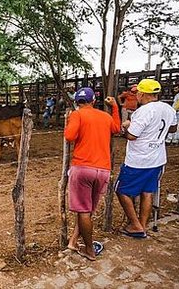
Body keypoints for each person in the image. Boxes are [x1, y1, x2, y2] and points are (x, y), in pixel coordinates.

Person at [64, 87, 121, 261]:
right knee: (87, 210)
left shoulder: (77, 114)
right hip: (103, 169)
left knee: (83, 211)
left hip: (82, 168)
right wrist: (115, 107)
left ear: (76, 102)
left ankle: (89, 249)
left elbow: (69, 136)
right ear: (94, 101)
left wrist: (71, 122)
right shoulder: (105, 116)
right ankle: (74, 241)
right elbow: (117, 129)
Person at [117, 79, 177, 238]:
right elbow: (173, 128)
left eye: (137, 92)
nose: (136, 95)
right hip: (157, 158)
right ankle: (142, 225)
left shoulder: (143, 111)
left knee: (121, 191)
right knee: (147, 192)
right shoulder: (168, 108)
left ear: (142, 93)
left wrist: (125, 127)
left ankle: (136, 225)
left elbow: (131, 136)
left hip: (138, 160)